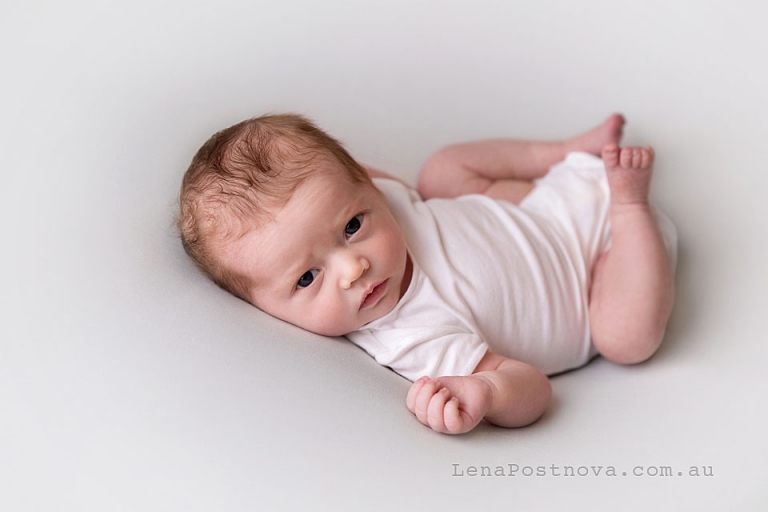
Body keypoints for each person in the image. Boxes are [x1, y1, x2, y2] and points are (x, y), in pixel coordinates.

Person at [177, 113, 676, 434]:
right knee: (627, 340)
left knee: (439, 172)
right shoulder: (413, 339)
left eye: (351, 226)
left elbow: (338, 179)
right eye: (308, 279)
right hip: (604, 277)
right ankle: (632, 203)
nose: (353, 268)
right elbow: (534, 390)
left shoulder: (381, 197)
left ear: (364, 185)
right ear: (264, 310)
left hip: (545, 205)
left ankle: (568, 149)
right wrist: (487, 392)